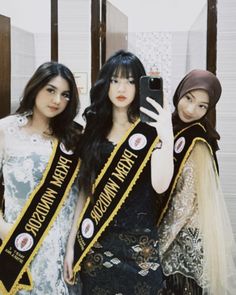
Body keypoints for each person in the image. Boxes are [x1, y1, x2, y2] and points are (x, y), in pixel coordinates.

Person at [63, 50, 174, 294]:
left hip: (140, 248)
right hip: (96, 246)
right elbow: (85, 192)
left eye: (131, 81)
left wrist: (166, 132)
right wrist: (71, 247)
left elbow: (160, 185)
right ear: (105, 84)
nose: (122, 88)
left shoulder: (148, 131)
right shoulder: (92, 132)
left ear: (139, 86)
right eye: (115, 80)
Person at [0, 61, 82, 295]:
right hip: (18, 246)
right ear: (35, 87)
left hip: (60, 255)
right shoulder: (6, 130)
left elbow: (80, 195)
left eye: (65, 94)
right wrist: (4, 229)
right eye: (50, 90)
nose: (57, 100)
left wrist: (71, 247)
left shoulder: (74, 137)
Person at [158, 69, 236, 295]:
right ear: (179, 93)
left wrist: (158, 244)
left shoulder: (197, 140)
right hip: (174, 234)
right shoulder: (170, 128)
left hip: (183, 243)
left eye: (202, 106)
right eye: (189, 98)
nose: (191, 110)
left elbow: (184, 204)